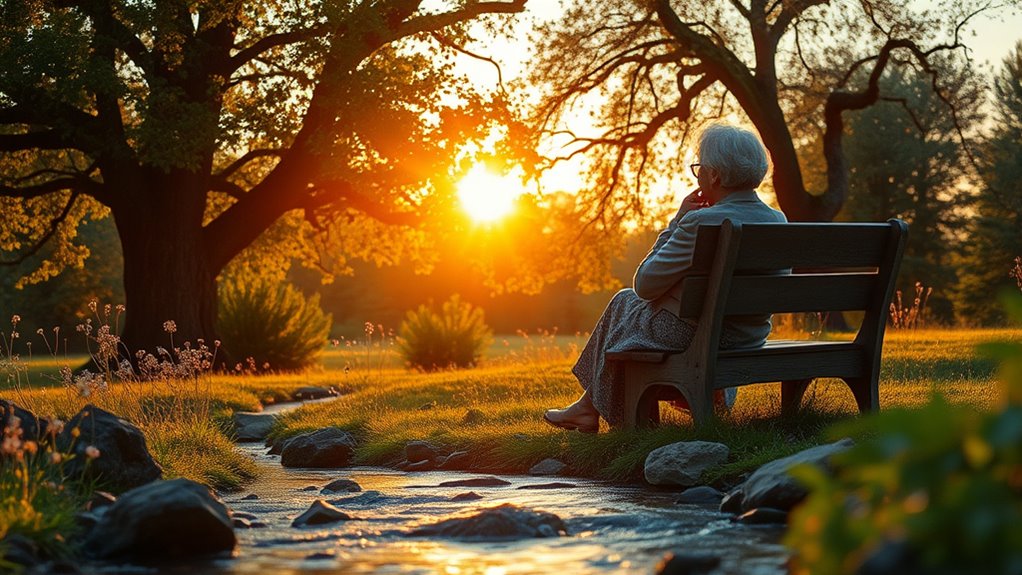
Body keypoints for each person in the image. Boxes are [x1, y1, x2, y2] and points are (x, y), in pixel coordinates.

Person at [544, 123, 787, 433]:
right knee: (632, 309)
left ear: (714, 176)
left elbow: (644, 284)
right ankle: (587, 407)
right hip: (750, 336)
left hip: (700, 337)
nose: (698, 175)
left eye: (700, 168)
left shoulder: (701, 222)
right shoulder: (776, 220)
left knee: (624, 300)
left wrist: (677, 221)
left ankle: (591, 409)